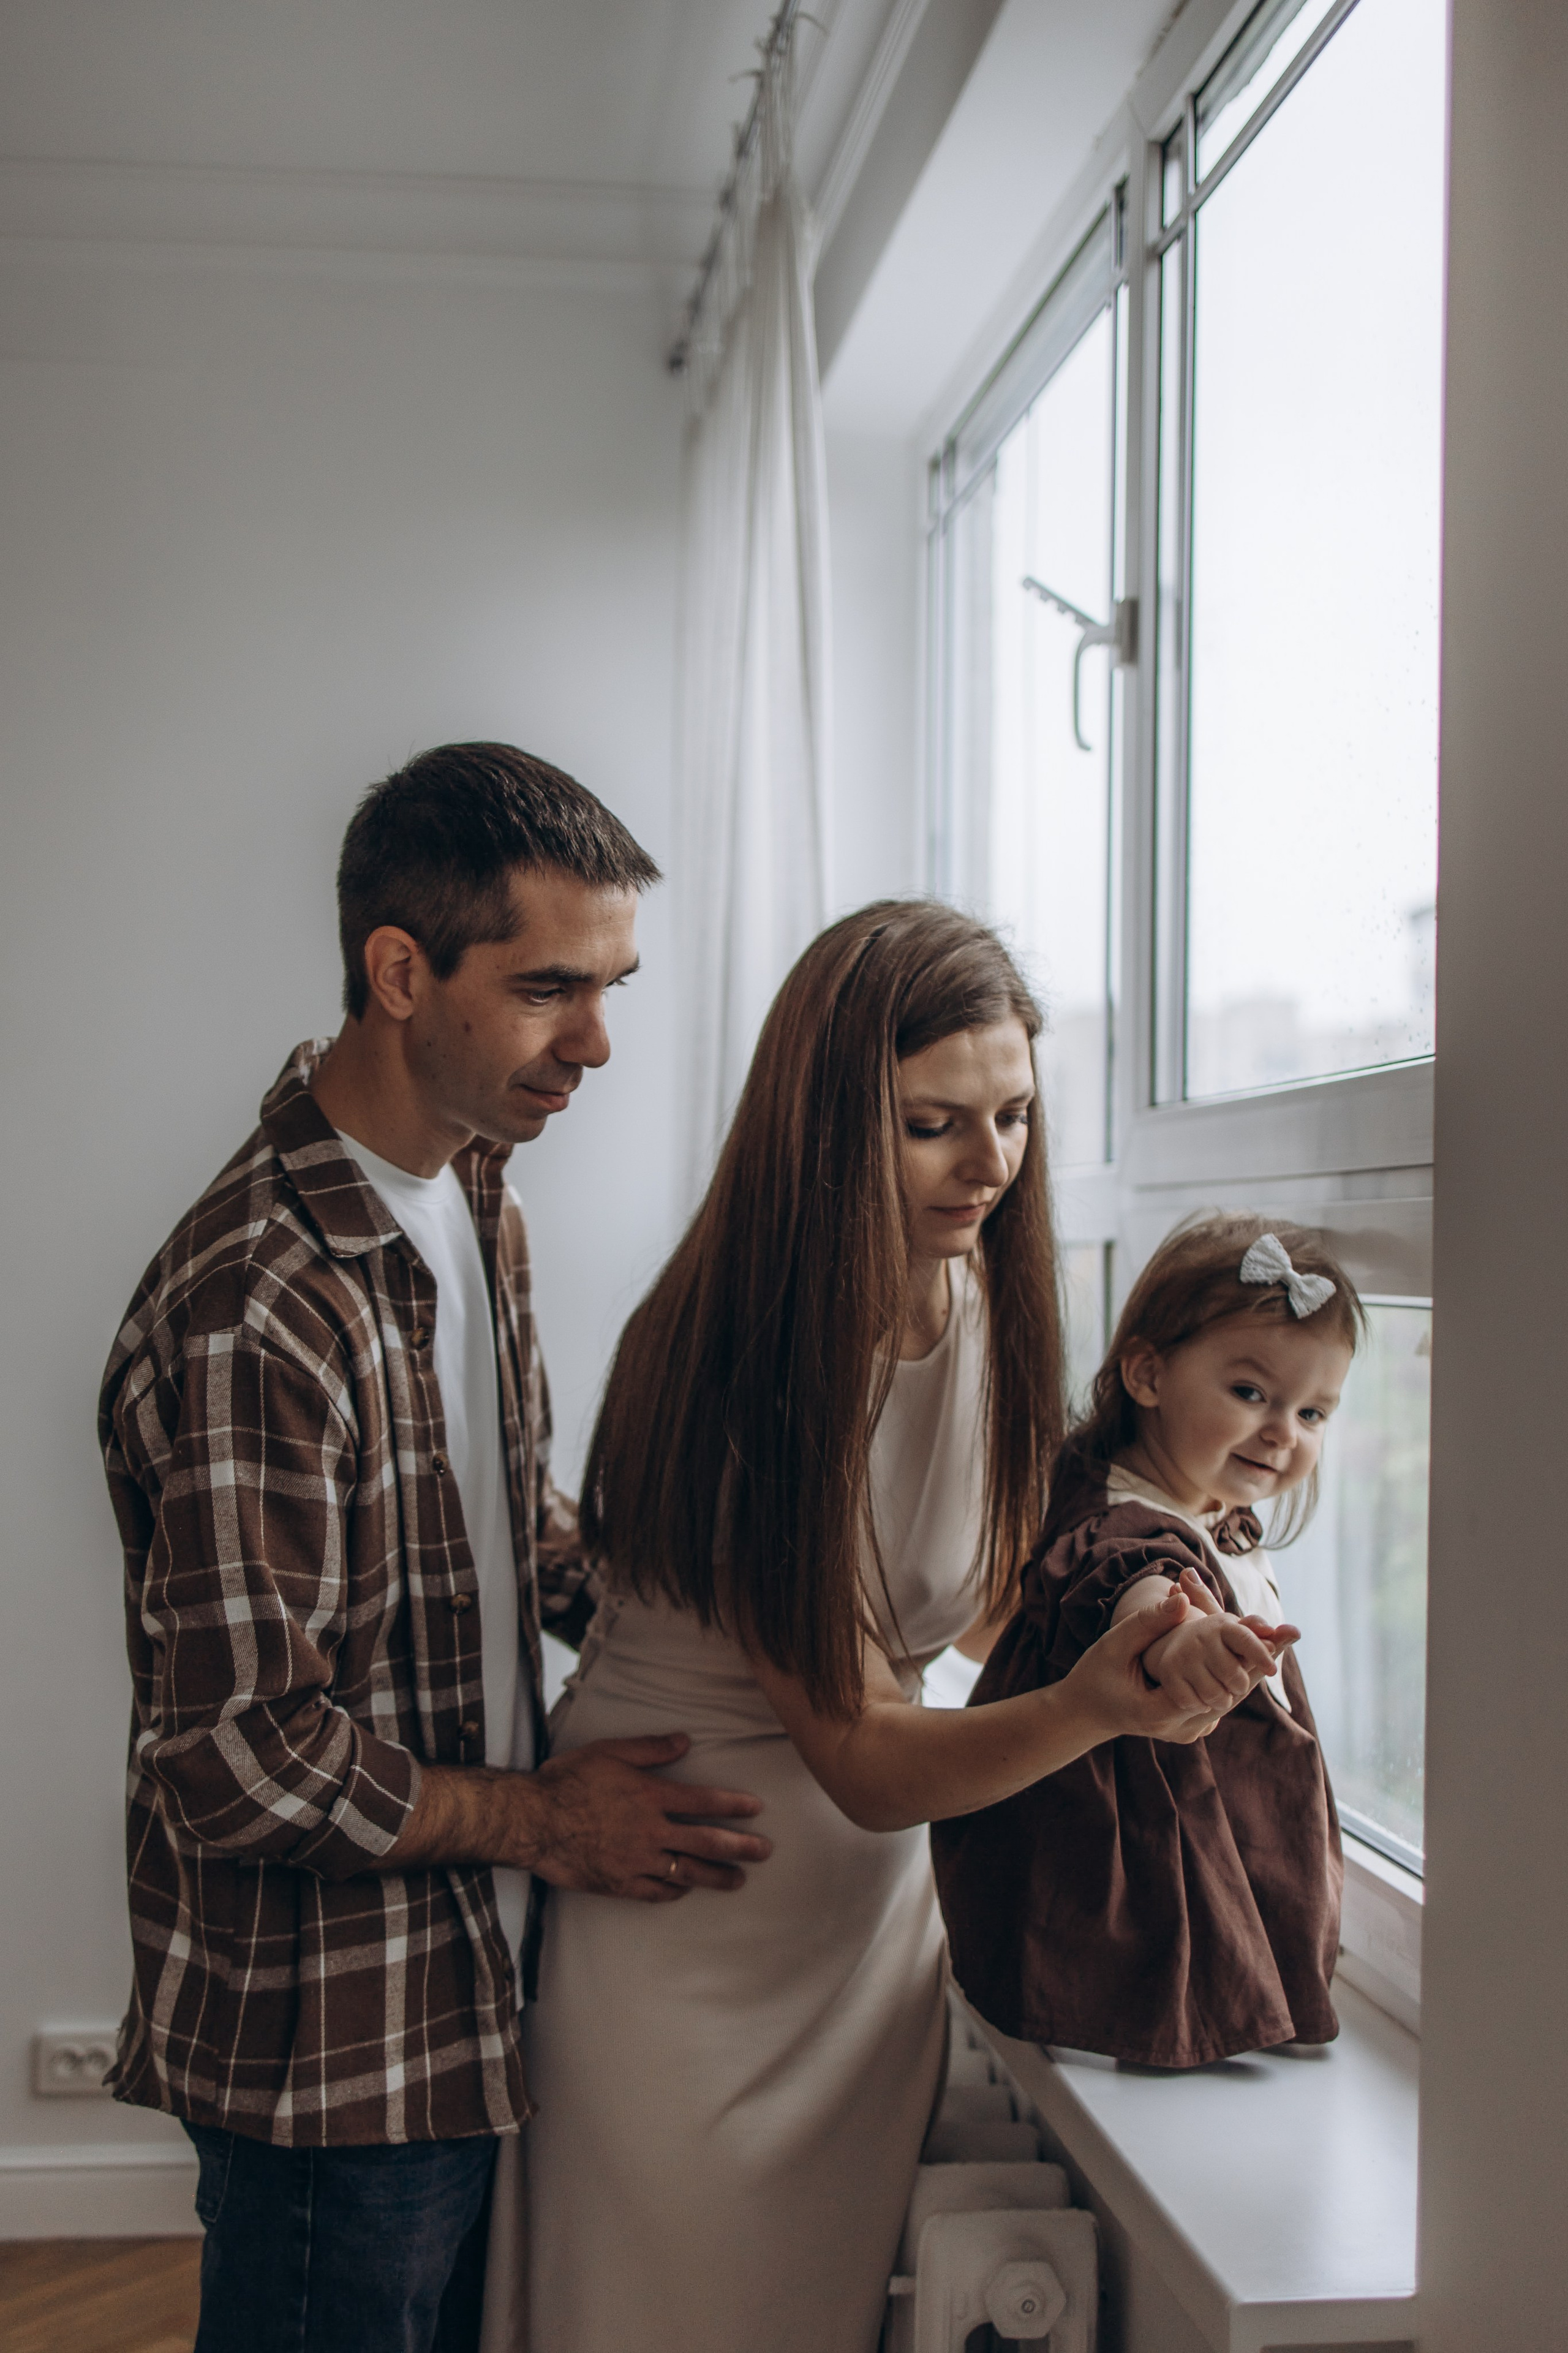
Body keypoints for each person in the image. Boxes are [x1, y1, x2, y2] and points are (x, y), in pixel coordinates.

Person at [515, 904, 1286, 2353]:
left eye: (1010, 1116)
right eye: (934, 1123)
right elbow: (865, 1753)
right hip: (686, 1906)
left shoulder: (981, 1299)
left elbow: (991, 1594)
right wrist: (1094, 1709)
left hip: (864, 1927)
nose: (987, 1164)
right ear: (821, 1128)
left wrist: (1147, 1609)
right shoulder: (740, 1355)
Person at [97, 742, 773, 2353]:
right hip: (329, 2051)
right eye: (551, 989)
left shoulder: (475, 1192)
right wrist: (549, 1822)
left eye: (611, 987)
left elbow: (499, 1529)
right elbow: (241, 1756)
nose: (599, 1042)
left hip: (468, 1985)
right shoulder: (259, 1306)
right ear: (400, 971)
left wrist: (729, 1622)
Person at [933, 1212, 1360, 2069]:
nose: (1284, 1431)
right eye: (1251, 1393)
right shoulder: (1119, 1526)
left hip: (1218, 1816)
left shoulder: (1211, 1507)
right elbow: (1142, 1594)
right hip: (1137, 1853)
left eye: (1313, 1410)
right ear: (1148, 1372)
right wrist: (1181, 1641)